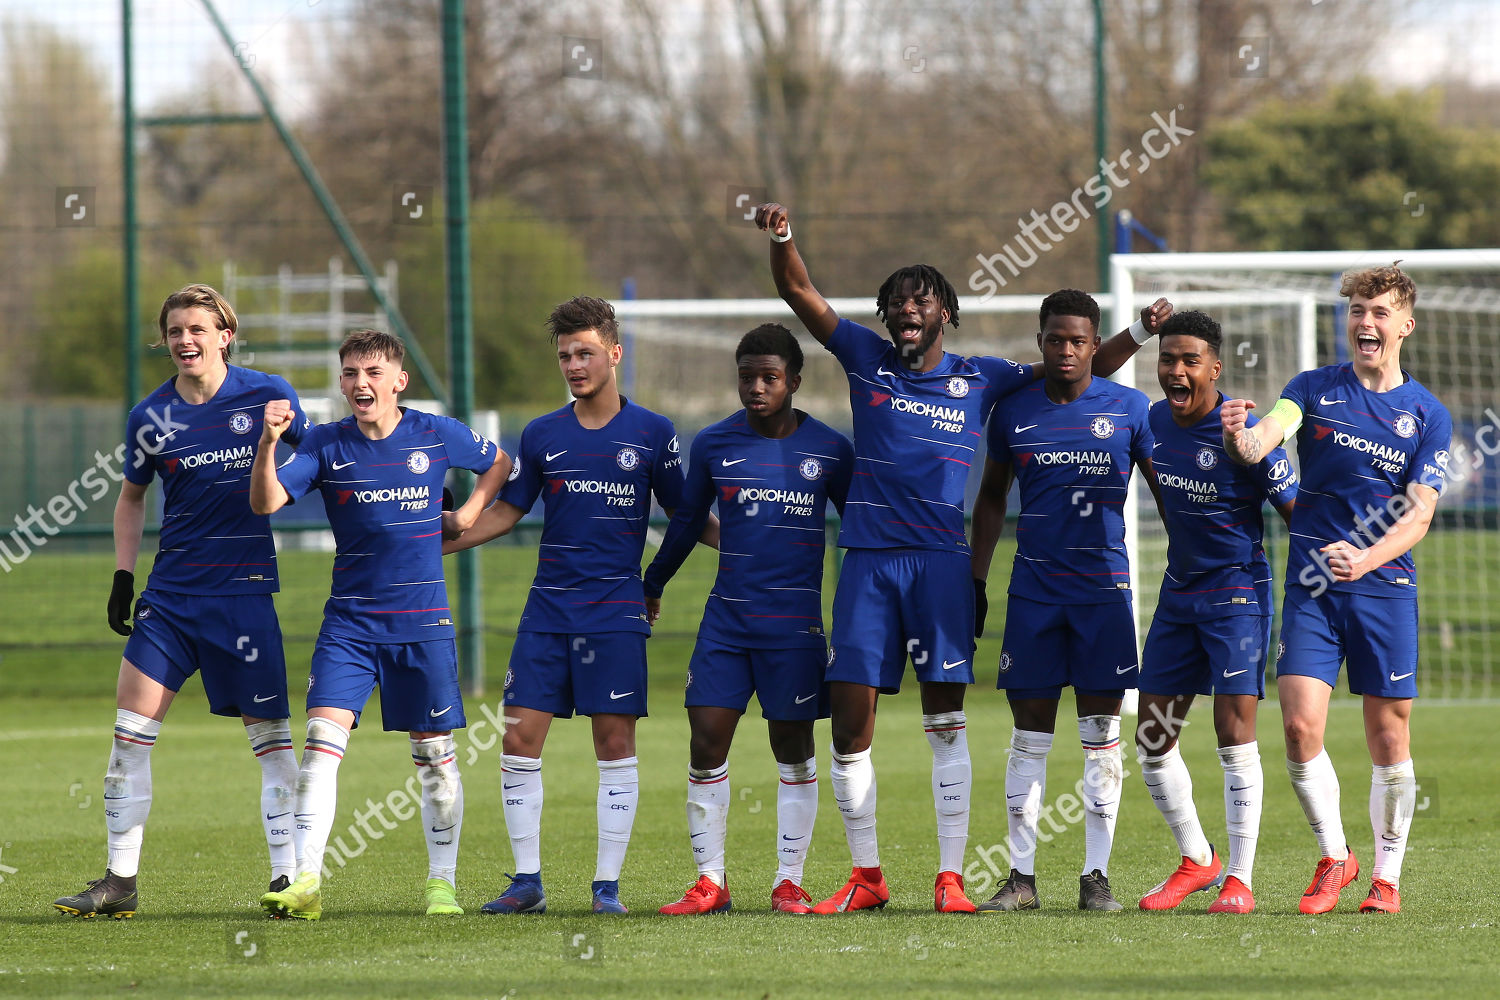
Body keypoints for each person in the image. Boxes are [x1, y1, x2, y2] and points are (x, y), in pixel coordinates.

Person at [753, 202, 1170, 913]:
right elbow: (799, 293)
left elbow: (1071, 365)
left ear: (945, 311)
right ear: (886, 316)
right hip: (868, 564)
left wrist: (1134, 334)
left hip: (942, 566)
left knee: (945, 717)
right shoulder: (865, 358)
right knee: (851, 722)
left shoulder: (983, 378)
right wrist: (783, 237)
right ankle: (866, 876)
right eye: (897, 302)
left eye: (922, 300)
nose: (908, 309)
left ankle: (951, 877)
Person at [53, 284, 309, 919]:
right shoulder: (150, 417)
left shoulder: (270, 395)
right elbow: (131, 498)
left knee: (274, 743)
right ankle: (119, 881)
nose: (186, 341)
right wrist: (121, 575)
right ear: (165, 340)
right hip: (171, 600)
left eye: (199, 329)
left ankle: (286, 880)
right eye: (175, 332)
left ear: (226, 334)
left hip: (245, 596)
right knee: (128, 739)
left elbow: (327, 454)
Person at [444, 296, 689, 916]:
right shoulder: (543, 433)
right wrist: (440, 546)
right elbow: (507, 509)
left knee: (614, 745)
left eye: (585, 353)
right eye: (564, 356)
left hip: (614, 611)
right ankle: (528, 882)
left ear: (614, 352)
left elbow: (689, 518)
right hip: (549, 610)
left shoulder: (653, 433)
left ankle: (606, 888)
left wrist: (749, 540)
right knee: (519, 738)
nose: (574, 365)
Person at [252, 329, 508, 920]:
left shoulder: (434, 434)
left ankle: (442, 885)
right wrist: (267, 444)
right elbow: (265, 503)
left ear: (399, 380)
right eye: (349, 373)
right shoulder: (324, 443)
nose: (359, 384)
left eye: (371, 372)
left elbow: (500, 463)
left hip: (422, 626)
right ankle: (307, 881)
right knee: (318, 749)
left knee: (437, 758)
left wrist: (468, 512)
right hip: (349, 625)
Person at [1221, 264, 1450, 915]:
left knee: (1388, 738)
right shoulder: (1312, 389)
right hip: (1314, 588)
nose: (1365, 323)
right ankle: (1335, 855)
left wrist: (1367, 557)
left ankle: (1386, 878)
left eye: (1378, 312)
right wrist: (1244, 437)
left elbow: (1421, 513)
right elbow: (1268, 433)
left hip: (1385, 590)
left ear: (1405, 324)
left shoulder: (1428, 416)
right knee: (1297, 727)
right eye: (1356, 311)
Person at [644, 323, 853, 915]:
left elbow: (860, 529)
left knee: (792, 747)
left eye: (769, 377)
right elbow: (686, 523)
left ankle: (789, 880)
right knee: (706, 738)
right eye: (746, 377)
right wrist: (652, 583)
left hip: (794, 627)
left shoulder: (831, 449)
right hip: (727, 622)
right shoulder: (713, 444)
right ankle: (711, 881)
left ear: (794, 381)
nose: (756, 387)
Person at [969, 289, 1159, 913]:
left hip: (1104, 595)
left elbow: (1170, 492)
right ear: (1041, 339)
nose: (1067, 350)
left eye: (1079, 340)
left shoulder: (1132, 409)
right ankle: (1020, 878)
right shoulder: (1013, 412)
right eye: (1056, 339)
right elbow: (992, 496)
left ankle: (1095, 876)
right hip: (1034, 595)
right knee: (1029, 737)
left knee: (1102, 733)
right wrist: (977, 577)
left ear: (1094, 342)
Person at [1133, 311, 1297, 914]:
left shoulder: (1247, 432)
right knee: (1152, 737)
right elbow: (1158, 482)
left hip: (1237, 595)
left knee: (1234, 736)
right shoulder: (1152, 421)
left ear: (1215, 368)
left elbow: (1296, 514)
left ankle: (1241, 878)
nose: (1176, 371)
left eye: (1189, 361)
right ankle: (1198, 859)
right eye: (1168, 359)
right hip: (1179, 593)